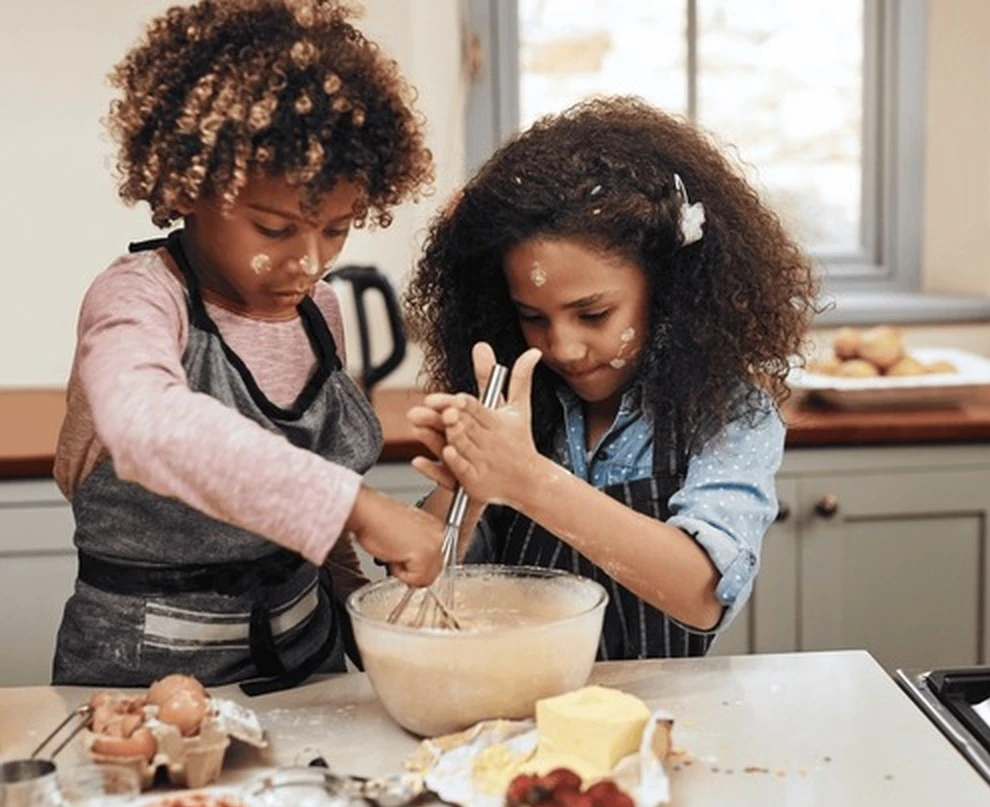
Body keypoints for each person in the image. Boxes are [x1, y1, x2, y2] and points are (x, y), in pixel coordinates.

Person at [53, 0, 445, 694]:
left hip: (306, 660)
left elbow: (311, 485)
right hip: (143, 676)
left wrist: (359, 610)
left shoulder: (319, 312)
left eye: (337, 229)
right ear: (189, 187)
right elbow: (146, 425)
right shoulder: (139, 299)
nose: (311, 262)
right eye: (274, 229)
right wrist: (356, 506)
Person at [404, 96, 818, 660]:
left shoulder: (729, 414)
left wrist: (529, 481)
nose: (562, 347)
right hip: (518, 690)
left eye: (594, 314)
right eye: (532, 317)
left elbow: (703, 594)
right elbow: (425, 584)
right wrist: (464, 494)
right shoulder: (508, 397)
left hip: (664, 704)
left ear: (668, 291)